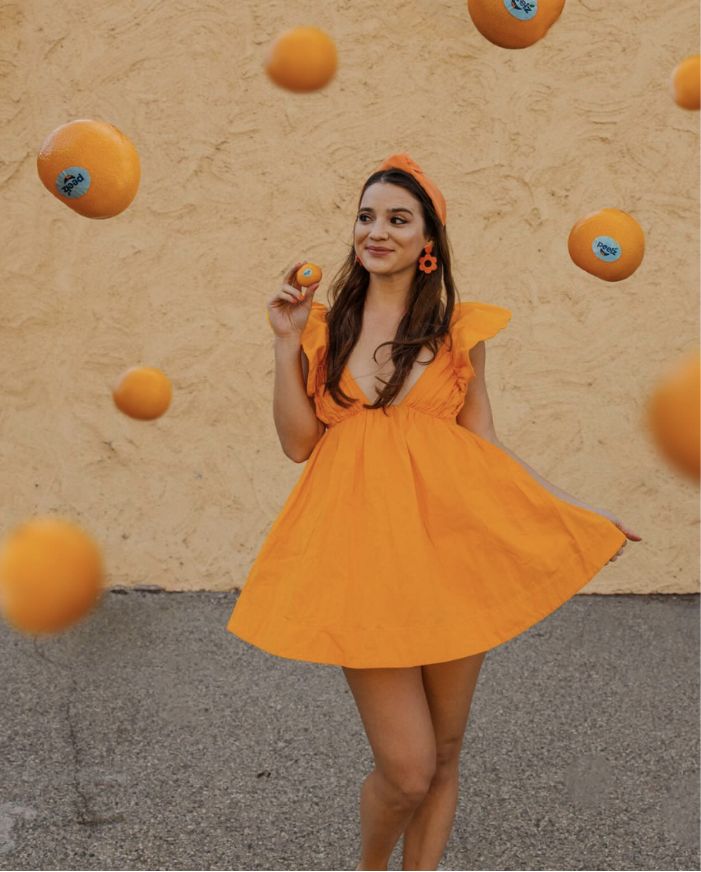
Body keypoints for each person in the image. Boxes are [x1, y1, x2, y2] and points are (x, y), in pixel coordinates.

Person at [226, 152, 642, 871]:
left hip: (450, 551)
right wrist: (284, 343)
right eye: (365, 217)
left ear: (428, 244)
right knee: (407, 769)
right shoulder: (323, 327)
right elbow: (299, 443)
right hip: (361, 561)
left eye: (396, 219)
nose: (375, 231)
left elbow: (484, 446)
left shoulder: (456, 333)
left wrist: (574, 513)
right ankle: (370, 867)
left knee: (446, 754)